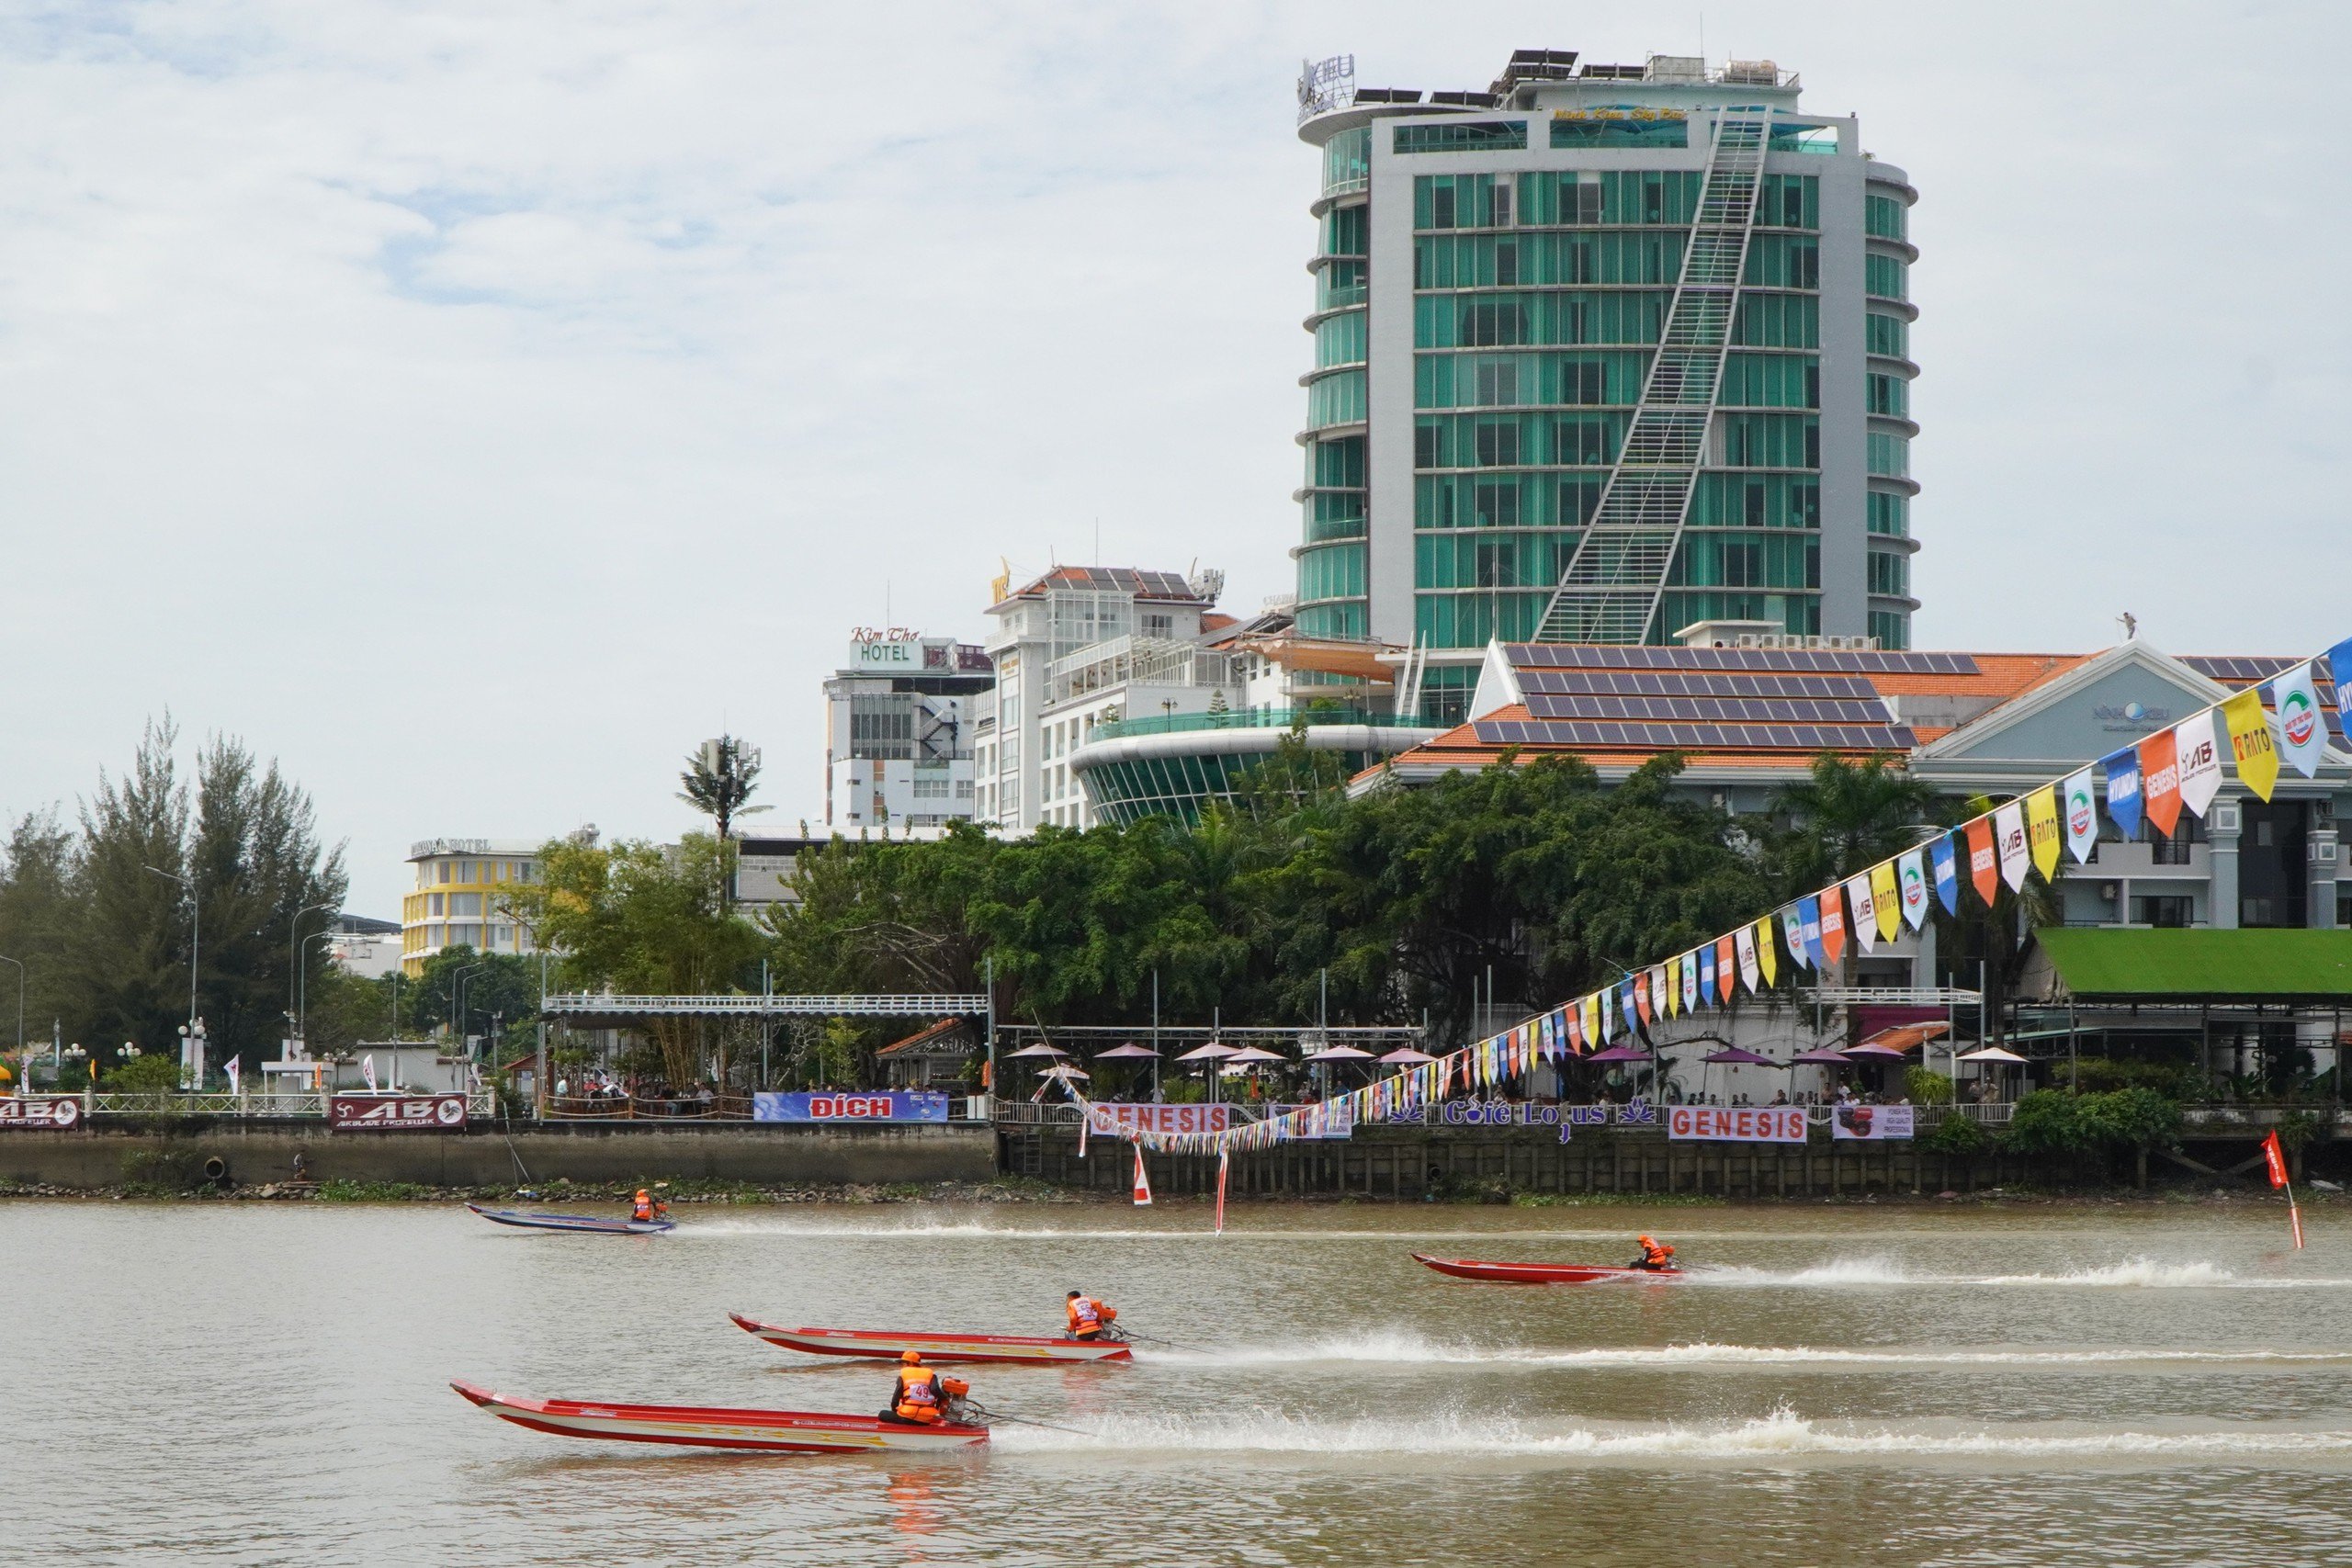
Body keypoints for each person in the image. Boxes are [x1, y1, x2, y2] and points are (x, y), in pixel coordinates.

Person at [884, 1350, 968, 1426]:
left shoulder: (903, 1375)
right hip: (926, 1419)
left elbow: (895, 1400)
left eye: (903, 1363)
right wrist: (945, 1398)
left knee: (882, 1414)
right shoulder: (931, 1375)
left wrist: (896, 1414)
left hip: (907, 1417)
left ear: (910, 1363)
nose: (902, 1366)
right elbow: (935, 1390)